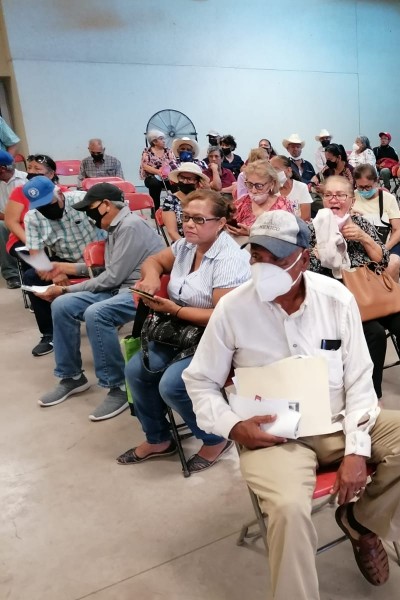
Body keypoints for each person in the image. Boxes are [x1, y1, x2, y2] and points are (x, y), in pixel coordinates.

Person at [183, 209, 400, 599]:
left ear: (305, 255)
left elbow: (359, 380)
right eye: (257, 256)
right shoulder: (234, 308)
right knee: (286, 508)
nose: (264, 267)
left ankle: (362, 522)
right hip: (274, 436)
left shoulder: (335, 299)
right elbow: (199, 381)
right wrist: (233, 426)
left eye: (277, 258)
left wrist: (356, 449)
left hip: (336, 421)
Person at [118, 190, 251, 472]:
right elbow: (154, 261)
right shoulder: (185, 247)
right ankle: (158, 439)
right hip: (178, 328)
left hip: (218, 334)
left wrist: (174, 310)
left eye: (199, 219)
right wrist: (152, 278)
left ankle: (215, 439)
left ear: (221, 223)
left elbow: (221, 316)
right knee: (135, 372)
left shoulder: (229, 259)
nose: (189, 225)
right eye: (186, 217)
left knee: (174, 384)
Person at [309, 176, 400, 411]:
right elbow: (309, 271)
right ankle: (372, 395)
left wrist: (362, 236)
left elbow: (382, 259)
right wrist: (321, 252)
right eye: (329, 195)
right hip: (338, 300)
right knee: (375, 333)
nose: (334, 200)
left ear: (351, 200)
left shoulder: (361, 222)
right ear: (322, 198)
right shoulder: (314, 227)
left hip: (371, 293)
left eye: (341, 195)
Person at [35, 183, 165, 420]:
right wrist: (63, 268)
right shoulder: (115, 227)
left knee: (97, 313)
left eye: (90, 209)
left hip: (142, 291)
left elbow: (111, 277)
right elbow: (107, 269)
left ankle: (117, 386)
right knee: (62, 306)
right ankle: (72, 377)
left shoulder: (130, 226)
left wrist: (65, 290)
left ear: (106, 205)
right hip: (119, 286)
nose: (87, 215)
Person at [20, 176, 101, 356]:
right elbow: (36, 253)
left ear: (58, 192)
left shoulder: (81, 200)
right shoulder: (32, 218)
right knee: (31, 277)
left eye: (48, 203)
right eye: (40, 206)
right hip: (65, 261)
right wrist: (54, 273)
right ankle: (50, 334)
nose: (46, 209)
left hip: (100, 259)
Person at [352, 165, 400, 282]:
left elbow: (397, 230)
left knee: (392, 264)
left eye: (368, 187)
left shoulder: (388, 199)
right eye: (360, 187)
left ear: (376, 182)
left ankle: (392, 296)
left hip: (389, 243)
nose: (364, 191)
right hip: (361, 246)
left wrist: (384, 249)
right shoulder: (351, 197)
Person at [228, 159, 295, 239]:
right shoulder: (242, 202)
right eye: (249, 184)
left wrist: (252, 233)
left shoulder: (283, 205)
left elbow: (287, 237)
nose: (253, 190)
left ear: (272, 184)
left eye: (259, 186)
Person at [162, 162, 208, 243]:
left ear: (198, 182)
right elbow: (172, 232)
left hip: (204, 241)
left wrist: (208, 191)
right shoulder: (170, 200)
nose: (185, 182)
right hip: (182, 243)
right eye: (182, 178)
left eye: (190, 179)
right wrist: (188, 248)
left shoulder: (204, 199)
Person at [0, 150, 26, 288]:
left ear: (2, 169)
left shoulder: (26, 179)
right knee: (0, 227)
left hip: (27, 220)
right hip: (4, 220)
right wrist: (11, 218)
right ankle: (12, 274)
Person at [140, 130, 177, 210]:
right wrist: (158, 172)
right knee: (154, 184)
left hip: (167, 176)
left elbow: (173, 163)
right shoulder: (147, 151)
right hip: (152, 177)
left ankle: (176, 206)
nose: (164, 141)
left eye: (164, 138)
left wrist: (165, 171)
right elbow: (145, 166)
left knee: (176, 183)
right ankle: (155, 209)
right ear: (154, 141)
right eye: (161, 139)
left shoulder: (168, 150)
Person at [271, 155, 313, 221]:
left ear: (288, 170)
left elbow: (306, 217)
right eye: (271, 170)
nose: (273, 173)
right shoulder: (271, 191)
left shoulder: (301, 187)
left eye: (276, 169)